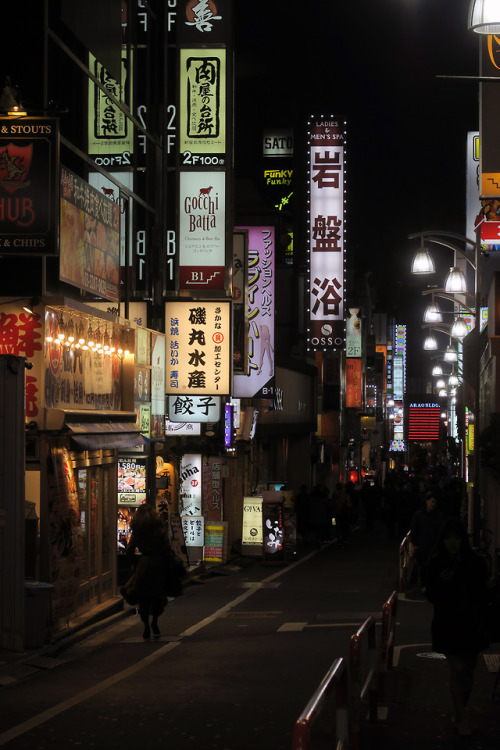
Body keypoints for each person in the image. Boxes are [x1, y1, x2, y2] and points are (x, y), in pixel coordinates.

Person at [425, 517, 490, 736]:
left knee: (469, 671)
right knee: (458, 669)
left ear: (462, 540)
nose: (452, 543)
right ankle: (462, 718)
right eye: (448, 539)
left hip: (471, 623)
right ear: (442, 541)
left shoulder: (475, 563)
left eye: (455, 539)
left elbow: (482, 591)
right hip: (447, 623)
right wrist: (441, 583)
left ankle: (460, 709)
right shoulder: (436, 563)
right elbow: (431, 595)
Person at [122, 503, 172, 640]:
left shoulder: (138, 530)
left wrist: (136, 563)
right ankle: (155, 622)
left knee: (143, 597)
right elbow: (167, 547)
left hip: (143, 565)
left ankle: (145, 627)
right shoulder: (159, 528)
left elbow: (129, 549)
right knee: (158, 596)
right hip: (158, 564)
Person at [409, 490, 443, 590]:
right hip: (422, 545)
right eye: (432, 502)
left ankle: (428, 584)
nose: (433, 504)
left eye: (435, 502)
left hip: (433, 545)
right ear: (427, 502)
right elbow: (414, 530)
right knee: (423, 566)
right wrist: (414, 544)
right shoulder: (419, 515)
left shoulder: (438, 515)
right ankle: (423, 585)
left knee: (431, 566)